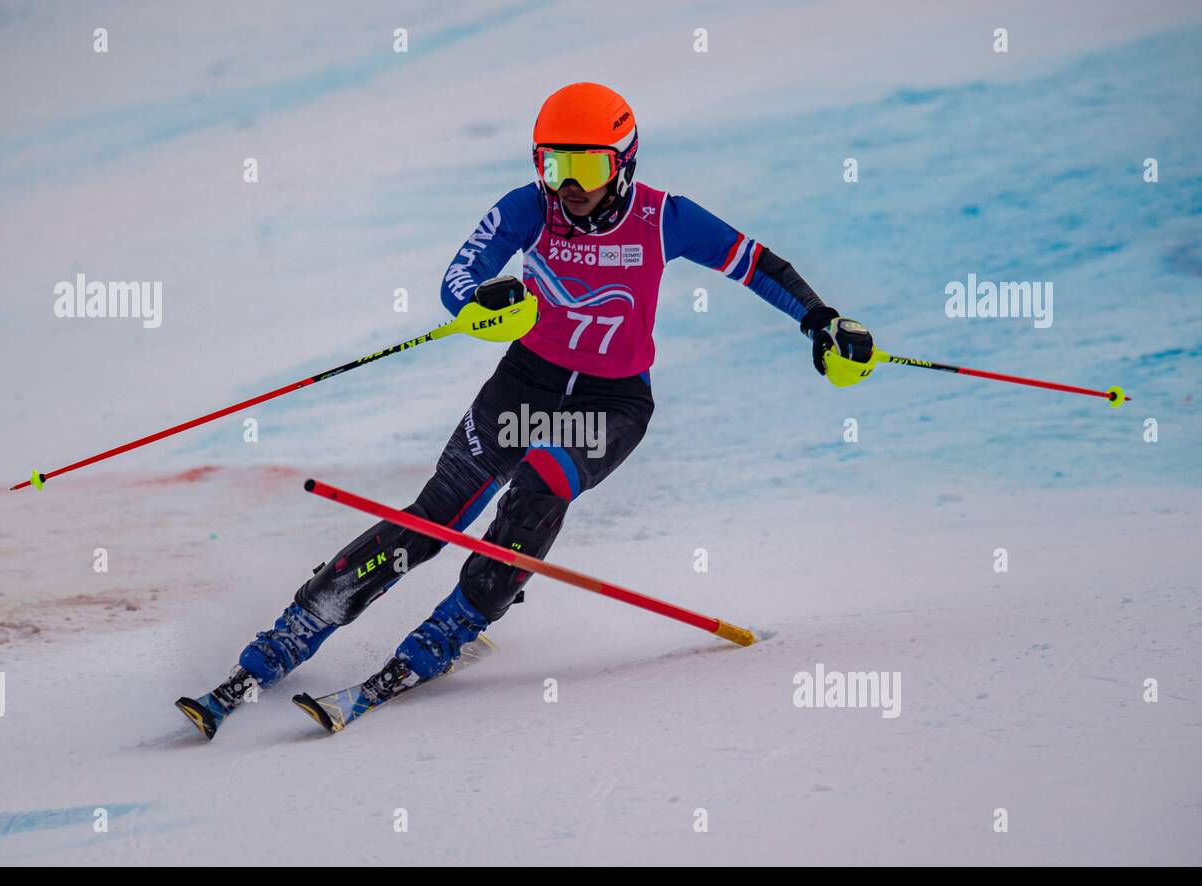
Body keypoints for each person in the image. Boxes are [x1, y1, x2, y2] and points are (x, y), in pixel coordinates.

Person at [177, 82, 874, 739]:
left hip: (613, 402)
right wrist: (482, 304)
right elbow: (458, 279)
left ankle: (456, 625)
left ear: (624, 164)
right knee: (432, 519)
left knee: (541, 484)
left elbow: (759, 265)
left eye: (587, 167)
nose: (568, 186)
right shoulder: (527, 207)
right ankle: (296, 629)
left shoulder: (666, 219)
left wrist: (822, 320)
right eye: (554, 165)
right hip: (525, 384)